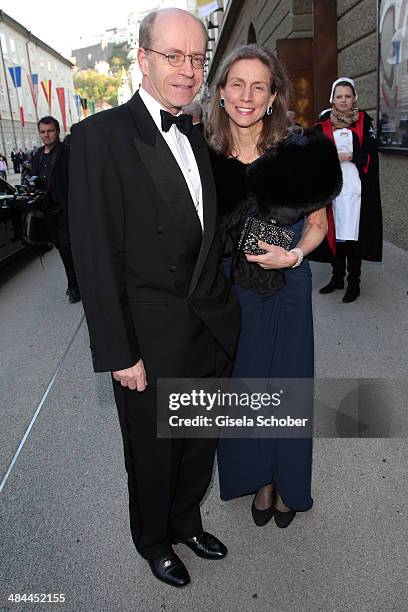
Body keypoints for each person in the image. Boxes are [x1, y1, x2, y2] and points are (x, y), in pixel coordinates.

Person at [68, 8, 240, 588]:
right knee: (153, 451)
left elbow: (209, 231)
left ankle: (187, 518)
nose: (188, 71)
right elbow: (95, 258)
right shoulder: (100, 138)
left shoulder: (198, 133)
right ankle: (154, 539)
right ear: (143, 59)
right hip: (149, 339)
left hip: (207, 328)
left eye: (197, 58)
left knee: (198, 443)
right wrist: (119, 353)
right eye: (174, 56)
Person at [208, 45, 341, 528]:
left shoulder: (297, 149)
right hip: (233, 292)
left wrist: (294, 255)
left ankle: (288, 485)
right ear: (221, 92)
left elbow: (319, 225)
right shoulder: (206, 156)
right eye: (237, 84)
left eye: (258, 86)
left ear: (272, 96)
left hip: (287, 286)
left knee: (285, 389)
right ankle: (260, 480)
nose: (247, 96)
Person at [315, 78, 382, 302]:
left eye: (347, 96)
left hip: (356, 191)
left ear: (354, 98)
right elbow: (314, 154)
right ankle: (337, 278)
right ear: (333, 99)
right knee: (335, 234)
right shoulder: (323, 123)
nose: (343, 100)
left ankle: (354, 283)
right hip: (332, 190)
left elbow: (372, 154)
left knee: (353, 236)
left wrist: (352, 156)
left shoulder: (364, 121)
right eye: (339, 96)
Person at [31, 116, 80, 303]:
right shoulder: (37, 156)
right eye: (42, 132)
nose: (46, 135)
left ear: (57, 131)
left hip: (66, 210)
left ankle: (74, 286)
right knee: (62, 249)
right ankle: (75, 283)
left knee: (68, 249)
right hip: (48, 213)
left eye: (50, 131)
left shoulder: (67, 152)